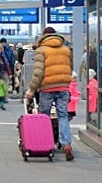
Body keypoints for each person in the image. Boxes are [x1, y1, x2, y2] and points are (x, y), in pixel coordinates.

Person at [25, 26, 75, 161]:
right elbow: (70, 68)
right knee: (63, 116)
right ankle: (66, 144)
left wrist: (32, 90)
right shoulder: (66, 50)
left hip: (47, 88)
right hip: (63, 87)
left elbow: (38, 72)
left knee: (44, 117)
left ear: (43, 36)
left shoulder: (41, 50)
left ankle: (46, 144)